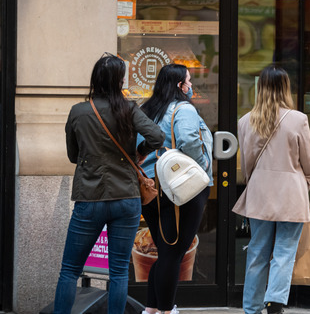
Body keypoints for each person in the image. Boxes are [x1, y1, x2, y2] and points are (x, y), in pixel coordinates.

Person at [54, 54, 165, 314]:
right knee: (118, 272)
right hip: (126, 197)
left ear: (95, 79)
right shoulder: (128, 108)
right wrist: (140, 151)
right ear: (120, 80)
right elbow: (158, 136)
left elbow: (73, 155)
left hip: (90, 198)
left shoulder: (78, 112)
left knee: (69, 270)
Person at [233, 65, 310, 314]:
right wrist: (304, 184)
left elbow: (246, 166)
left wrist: (258, 182)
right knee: (284, 250)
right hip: (291, 193)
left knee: (257, 251)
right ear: (285, 88)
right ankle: (274, 302)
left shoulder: (245, 121)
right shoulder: (298, 119)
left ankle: (251, 307)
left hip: (260, 193)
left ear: (260, 88)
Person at [139, 64, 214, 314]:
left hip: (150, 190)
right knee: (173, 253)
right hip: (182, 189)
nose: (191, 86)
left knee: (165, 251)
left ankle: (151, 309)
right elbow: (189, 139)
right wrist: (201, 167)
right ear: (179, 85)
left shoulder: (147, 110)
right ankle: (167, 310)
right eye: (188, 81)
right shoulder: (183, 109)